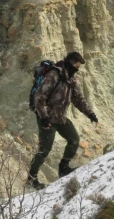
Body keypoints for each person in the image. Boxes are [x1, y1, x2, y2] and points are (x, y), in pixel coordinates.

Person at [27, 51, 99, 190]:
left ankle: (63, 168)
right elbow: (39, 97)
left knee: (74, 140)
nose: (77, 70)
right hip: (47, 119)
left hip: (60, 118)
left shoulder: (71, 79)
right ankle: (31, 179)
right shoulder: (53, 76)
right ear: (70, 63)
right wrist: (44, 118)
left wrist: (90, 114)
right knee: (44, 150)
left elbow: (78, 99)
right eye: (76, 67)